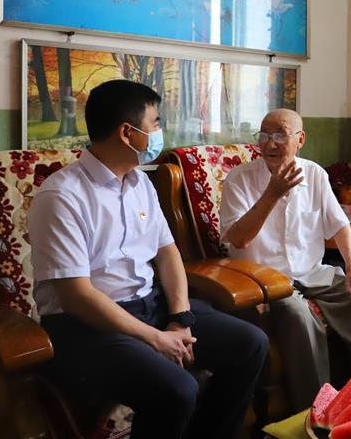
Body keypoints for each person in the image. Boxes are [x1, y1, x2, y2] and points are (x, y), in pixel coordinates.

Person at [29, 80, 268, 439]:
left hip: (150, 306)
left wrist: (180, 319)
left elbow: (167, 253)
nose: (159, 132)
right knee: (177, 389)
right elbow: (76, 296)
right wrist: (155, 338)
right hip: (84, 327)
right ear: (127, 133)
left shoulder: (139, 183)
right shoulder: (62, 196)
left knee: (250, 344)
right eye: (155, 123)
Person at [219, 108, 351, 411]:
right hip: (263, 278)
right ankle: (316, 408)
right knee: (297, 313)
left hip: (310, 272)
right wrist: (272, 193)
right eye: (264, 136)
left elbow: (340, 226)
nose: (270, 144)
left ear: (300, 139)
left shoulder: (315, 174)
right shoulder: (239, 179)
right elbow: (238, 239)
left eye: (280, 135)